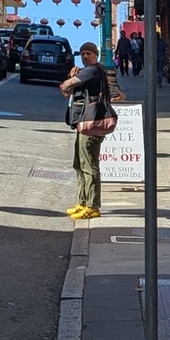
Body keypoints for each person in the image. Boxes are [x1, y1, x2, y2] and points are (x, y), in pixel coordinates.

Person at [59, 42, 116, 220]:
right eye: (82, 53)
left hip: (91, 125)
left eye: (89, 53)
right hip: (82, 123)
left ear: (96, 55)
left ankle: (92, 206)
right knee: (79, 164)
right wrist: (68, 84)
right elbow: (67, 92)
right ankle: (81, 202)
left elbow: (67, 85)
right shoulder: (86, 74)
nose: (85, 56)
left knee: (89, 166)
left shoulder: (93, 71)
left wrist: (69, 81)